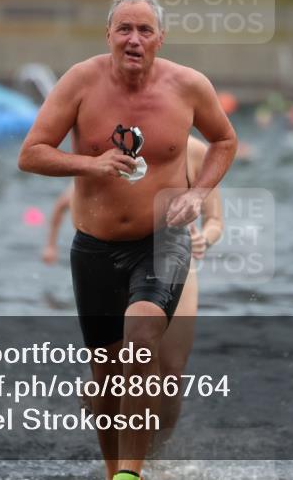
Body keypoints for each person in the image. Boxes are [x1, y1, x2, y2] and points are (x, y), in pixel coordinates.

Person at [18, 0, 237, 480]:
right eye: (124, 29)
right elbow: (31, 152)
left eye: (144, 30)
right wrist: (89, 164)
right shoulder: (80, 82)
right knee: (105, 381)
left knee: (141, 342)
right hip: (93, 247)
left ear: (160, 38)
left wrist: (198, 194)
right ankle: (115, 469)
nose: (133, 39)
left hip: (161, 239)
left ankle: (129, 476)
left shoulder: (189, 86)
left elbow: (225, 139)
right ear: (109, 35)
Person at [42, 134, 224, 438]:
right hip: (112, 259)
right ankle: (114, 436)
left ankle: (155, 453)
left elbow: (215, 219)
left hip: (175, 258)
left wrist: (205, 237)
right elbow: (70, 205)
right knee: (117, 367)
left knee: (172, 372)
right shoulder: (113, 144)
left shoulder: (194, 151)